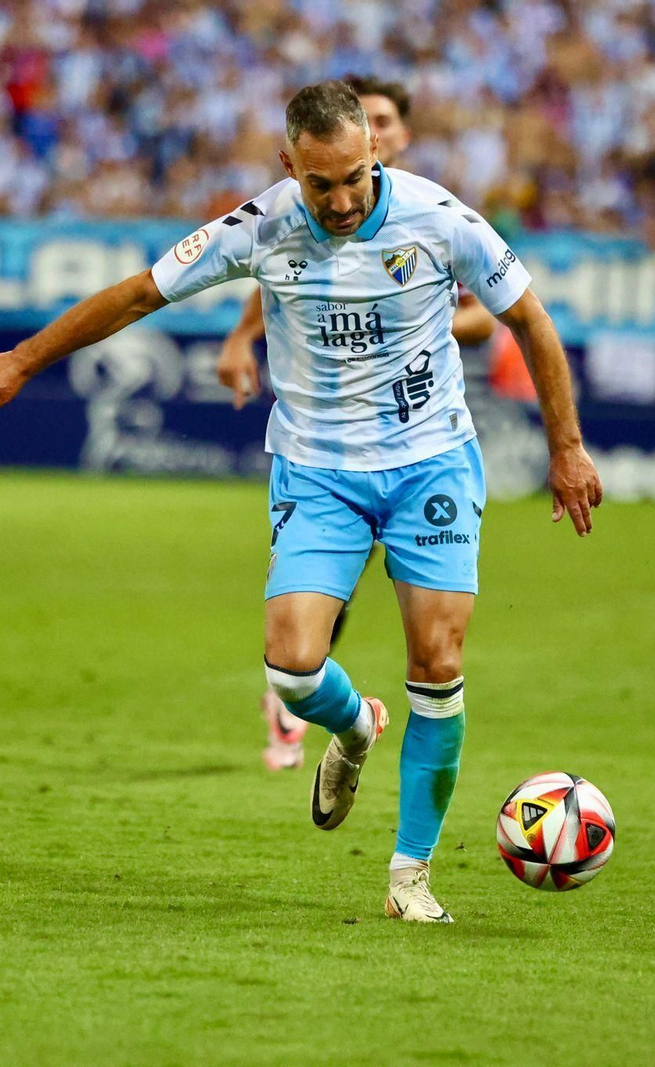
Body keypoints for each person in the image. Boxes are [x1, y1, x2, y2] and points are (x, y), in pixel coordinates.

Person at [0, 81, 600, 923]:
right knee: (290, 666)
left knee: (438, 662)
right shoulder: (261, 225)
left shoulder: (442, 219)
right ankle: (355, 727)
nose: (343, 199)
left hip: (430, 462)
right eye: (322, 184)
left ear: (376, 156)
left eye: (356, 176)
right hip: (318, 471)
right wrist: (24, 359)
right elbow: (141, 292)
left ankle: (409, 877)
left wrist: (566, 446)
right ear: (291, 166)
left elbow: (532, 321)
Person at [216, 75, 500, 772]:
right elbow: (284, 283)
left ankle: (316, 709)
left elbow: (489, 315)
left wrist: (414, 320)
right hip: (327, 452)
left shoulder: (433, 215)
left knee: (430, 646)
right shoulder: (308, 214)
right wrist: (240, 337)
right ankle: (306, 703)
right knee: (311, 621)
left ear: (390, 138)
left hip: (416, 442)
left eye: (382, 121)